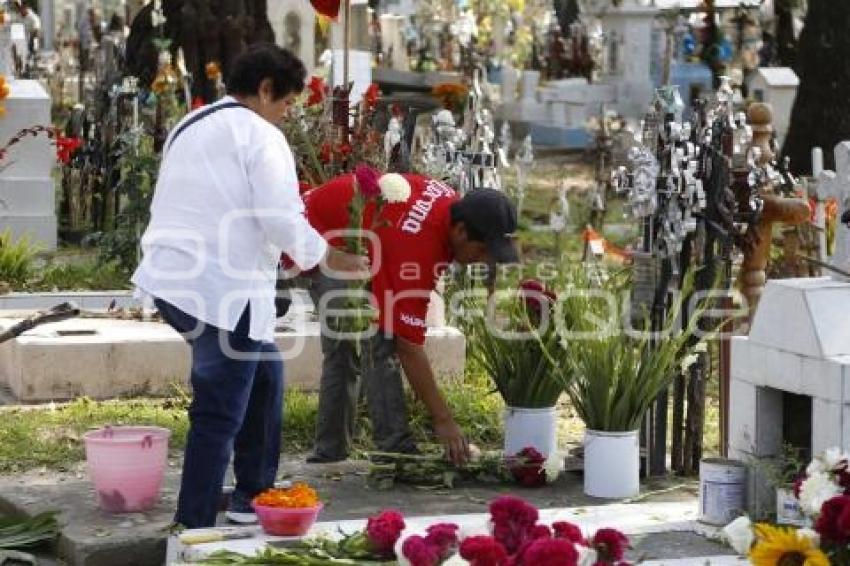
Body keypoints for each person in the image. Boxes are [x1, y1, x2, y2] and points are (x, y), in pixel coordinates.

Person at [131, 44, 367, 529]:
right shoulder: (261, 135)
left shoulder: (193, 123)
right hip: (221, 290)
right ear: (264, 90)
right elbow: (280, 216)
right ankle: (192, 527)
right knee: (220, 410)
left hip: (176, 278)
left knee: (264, 377)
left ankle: (252, 497)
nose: (286, 115)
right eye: (285, 104)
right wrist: (329, 255)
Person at [293, 172, 519, 466]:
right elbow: (408, 346)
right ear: (461, 232)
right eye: (481, 252)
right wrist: (444, 421)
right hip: (317, 233)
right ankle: (382, 450)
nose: (483, 260)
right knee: (365, 342)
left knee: (367, 340)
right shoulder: (417, 248)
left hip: (360, 232)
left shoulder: (453, 212)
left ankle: (357, 450)